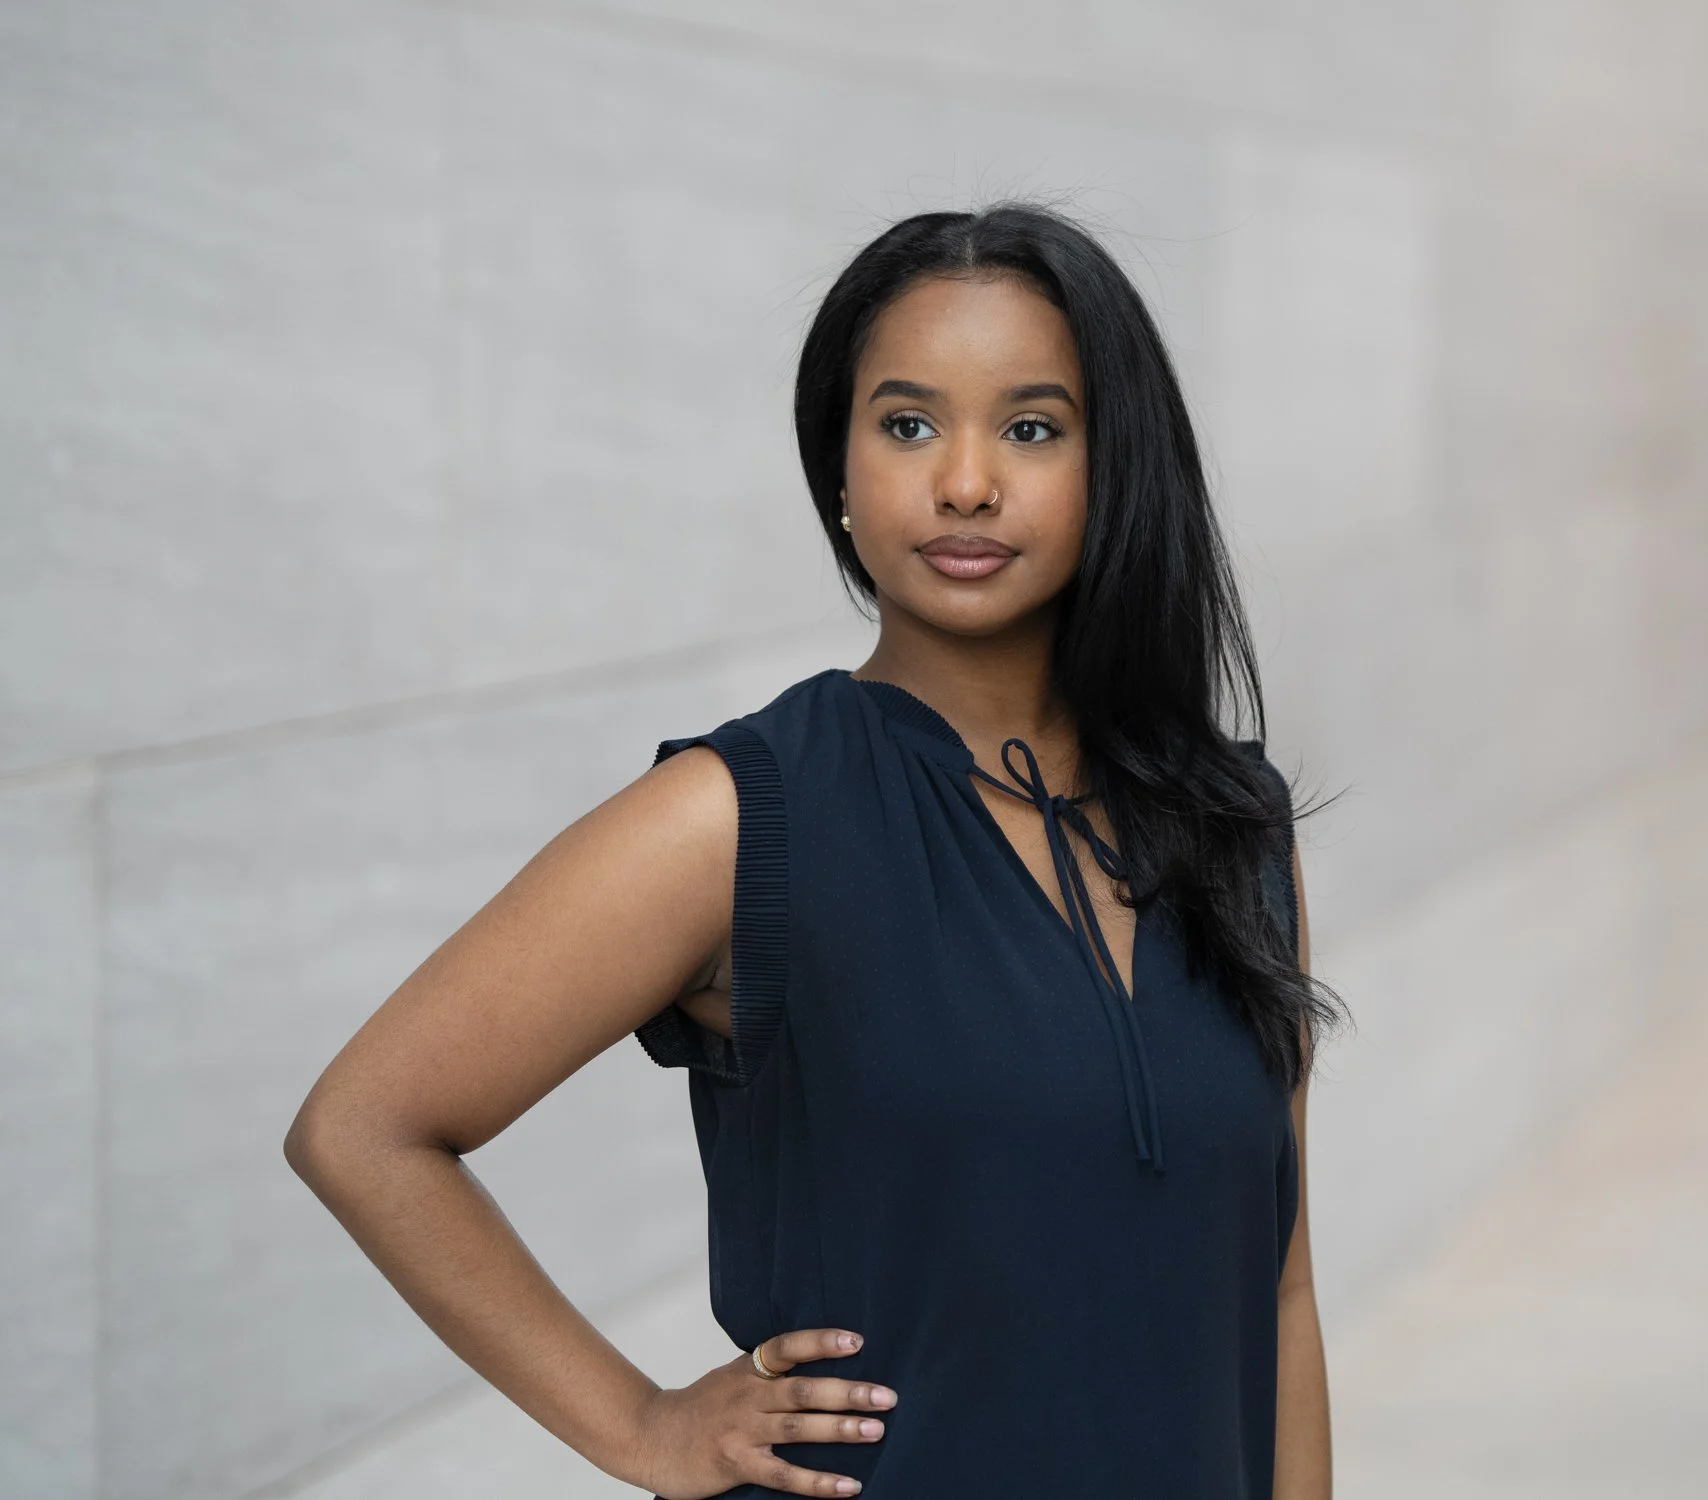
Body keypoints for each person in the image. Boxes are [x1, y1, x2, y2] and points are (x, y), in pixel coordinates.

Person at [285, 201, 1346, 1499]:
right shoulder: (741, 815)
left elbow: (1278, 1289)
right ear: (836, 473)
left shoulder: (1235, 824)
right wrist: (640, 1424)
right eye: (906, 425)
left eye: (1030, 427)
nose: (964, 481)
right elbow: (366, 1127)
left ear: (1113, 466)